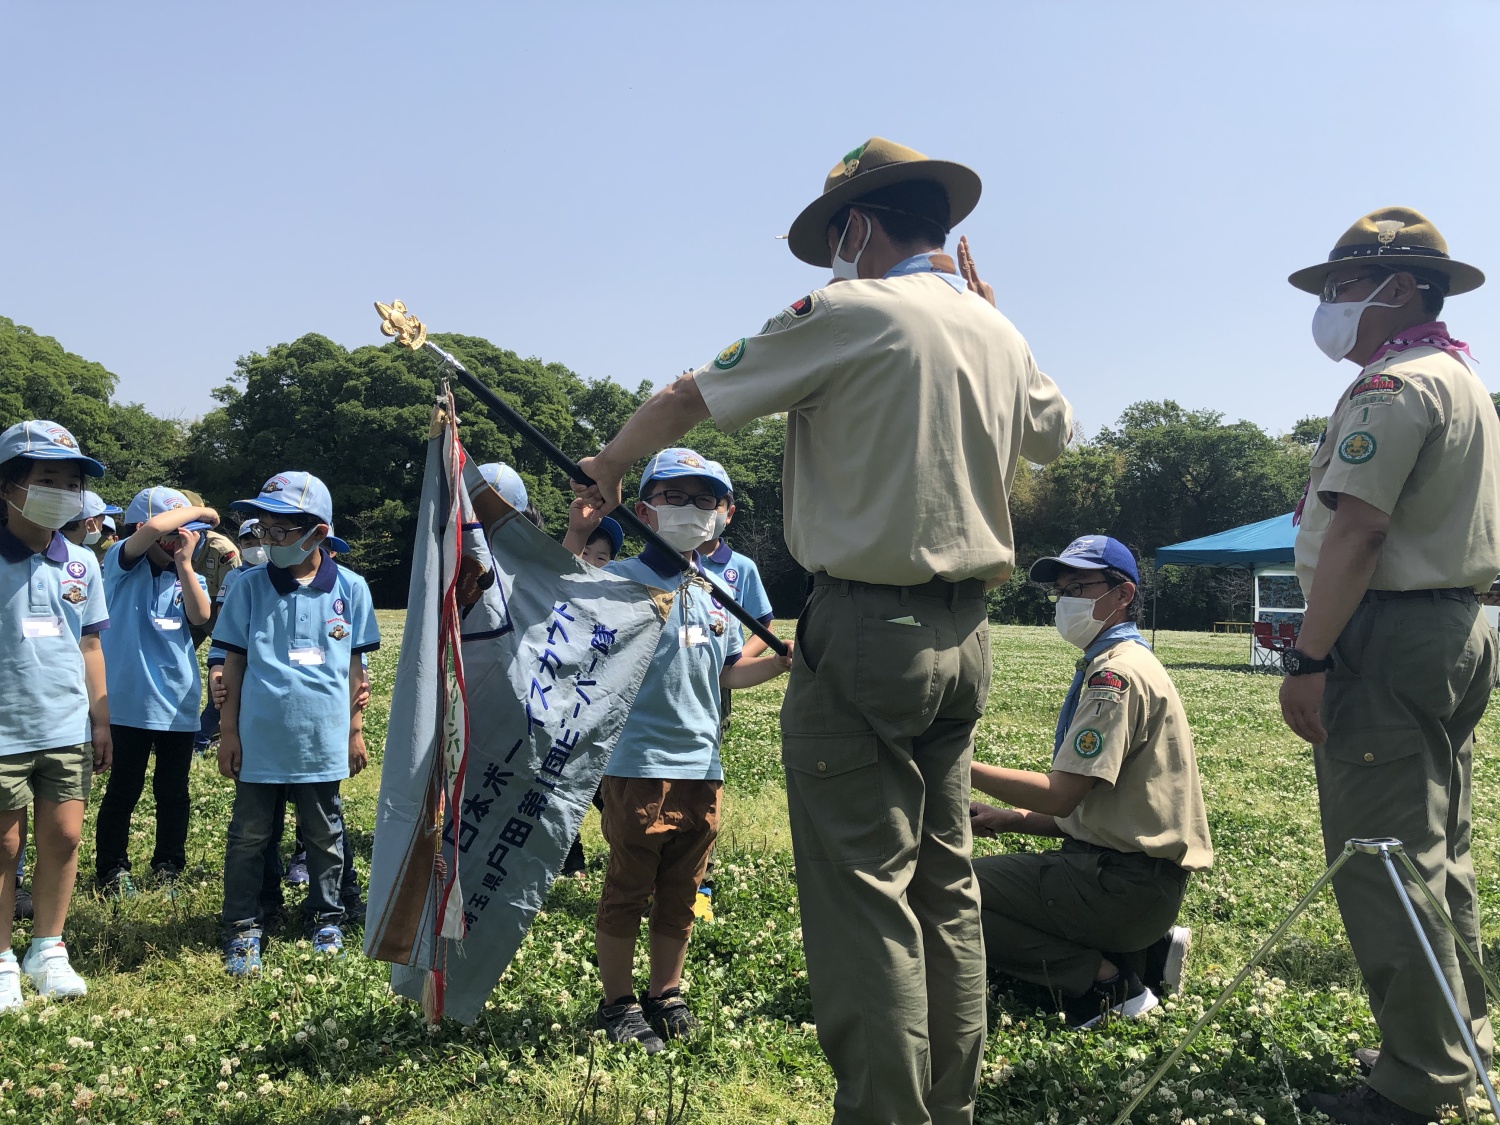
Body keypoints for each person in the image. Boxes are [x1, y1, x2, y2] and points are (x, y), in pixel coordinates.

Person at [573, 138, 1072, 1123]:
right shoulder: (996, 330)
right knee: (944, 883)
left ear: (858, 224)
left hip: (868, 620)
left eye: (835, 236)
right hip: (966, 633)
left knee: (863, 893)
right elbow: (1055, 433)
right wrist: (997, 320)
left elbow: (691, 395)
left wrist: (609, 464)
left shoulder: (850, 309)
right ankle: (949, 1106)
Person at [1278, 208, 1500, 1125]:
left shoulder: (1393, 387)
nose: (1331, 304)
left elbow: (1359, 531)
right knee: (1439, 849)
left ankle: (1418, 1074)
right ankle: (1455, 1033)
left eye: (1344, 286)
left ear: (1400, 288)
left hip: (1389, 635)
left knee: (1382, 857)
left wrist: (1309, 655)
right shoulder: (1463, 379)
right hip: (1457, 627)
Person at [562, 448, 793, 1052]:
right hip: (636, 764)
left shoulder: (715, 589)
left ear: (722, 514)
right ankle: (617, 1003)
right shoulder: (617, 580)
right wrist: (578, 534)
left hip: (703, 764)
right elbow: (559, 606)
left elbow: (728, 671)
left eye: (704, 499)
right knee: (628, 889)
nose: (691, 508)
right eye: (674, 497)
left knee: (682, 892)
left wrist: (778, 663)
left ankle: (665, 992)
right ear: (643, 511)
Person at [968, 536, 1211, 1028]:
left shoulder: (1115, 677)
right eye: (1061, 591)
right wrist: (1010, 818)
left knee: (942, 889)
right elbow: (1101, 814)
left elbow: (1061, 796)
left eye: (1078, 588)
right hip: (1135, 883)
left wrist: (955, 765)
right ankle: (1146, 951)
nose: (1066, 602)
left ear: (1123, 594)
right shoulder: (1127, 662)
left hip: (1119, 887)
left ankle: (1104, 982)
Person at [212, 472, 379, 975]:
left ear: (317, 533)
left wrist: (354, 731)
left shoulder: (351, 588)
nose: (269, 539)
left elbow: (355, 669)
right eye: (263, 528)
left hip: (321, 739)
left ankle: (326, 918)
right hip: (259, 738)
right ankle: (243, 924)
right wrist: (228, 732)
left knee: (324, 832)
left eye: (280, 530)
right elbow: (234, 663)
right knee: (249, 835)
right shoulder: (248, 587)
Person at [0, 421, 112, 1009]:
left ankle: (47, 947)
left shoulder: (83, 562)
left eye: (72, 483)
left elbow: (89, 644)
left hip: (66, 725)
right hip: (5, 727)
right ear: (8, 486)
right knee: (4, 845)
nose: (63, 493)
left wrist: (100, 720)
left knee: (65, 837)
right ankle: (1, 958)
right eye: (47, 479)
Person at [93, 487, 217, 896]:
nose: (177, 539)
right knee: (123, 790)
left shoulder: (189, 575)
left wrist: (184, 563)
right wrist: (201, 510)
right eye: (171, 533)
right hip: (127, 704)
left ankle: (168, 864)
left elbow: (201, 615)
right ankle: (112, 868)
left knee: (173, 793)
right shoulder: (120, 564)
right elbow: (150, 530)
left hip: (178, 703)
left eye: (186, 533)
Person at [694, 460, 775, 740]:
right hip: (675, 669)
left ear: (729, 513)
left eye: (713, 503)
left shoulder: (742, 567)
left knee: (710, 739)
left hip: (719, 674)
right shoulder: (668, 559)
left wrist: (734, 662)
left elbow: (764, 627)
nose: (703, 510)